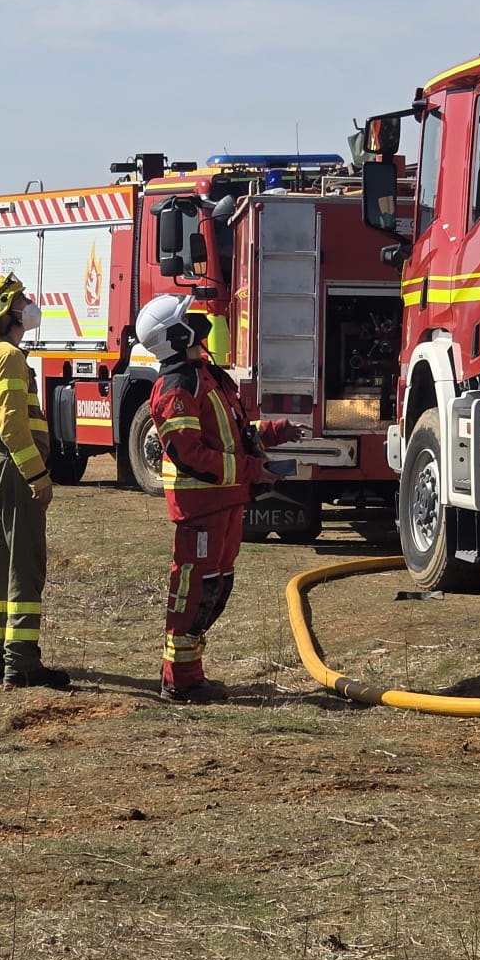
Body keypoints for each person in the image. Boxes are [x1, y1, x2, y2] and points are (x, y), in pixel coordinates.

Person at [138, 293, 304, 704]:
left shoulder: (205, 377)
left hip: (225, 502)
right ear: (175, 336)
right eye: (187, 318)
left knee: (215, 587)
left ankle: (190, 675)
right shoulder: (178, 385)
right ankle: (179, 680)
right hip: (201, 507)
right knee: (194, 591)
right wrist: (252, 471)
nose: (198, 321)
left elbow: (233, 435)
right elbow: (190, 454)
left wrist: (277, 431)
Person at [0, 273, 72, 691]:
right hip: (12, 469)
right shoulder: (9, 356)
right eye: (21, 299)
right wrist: (37, 475)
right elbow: (12, 425)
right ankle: (22, 662)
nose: (28, 303)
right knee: (26, 566)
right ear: (3, 311)